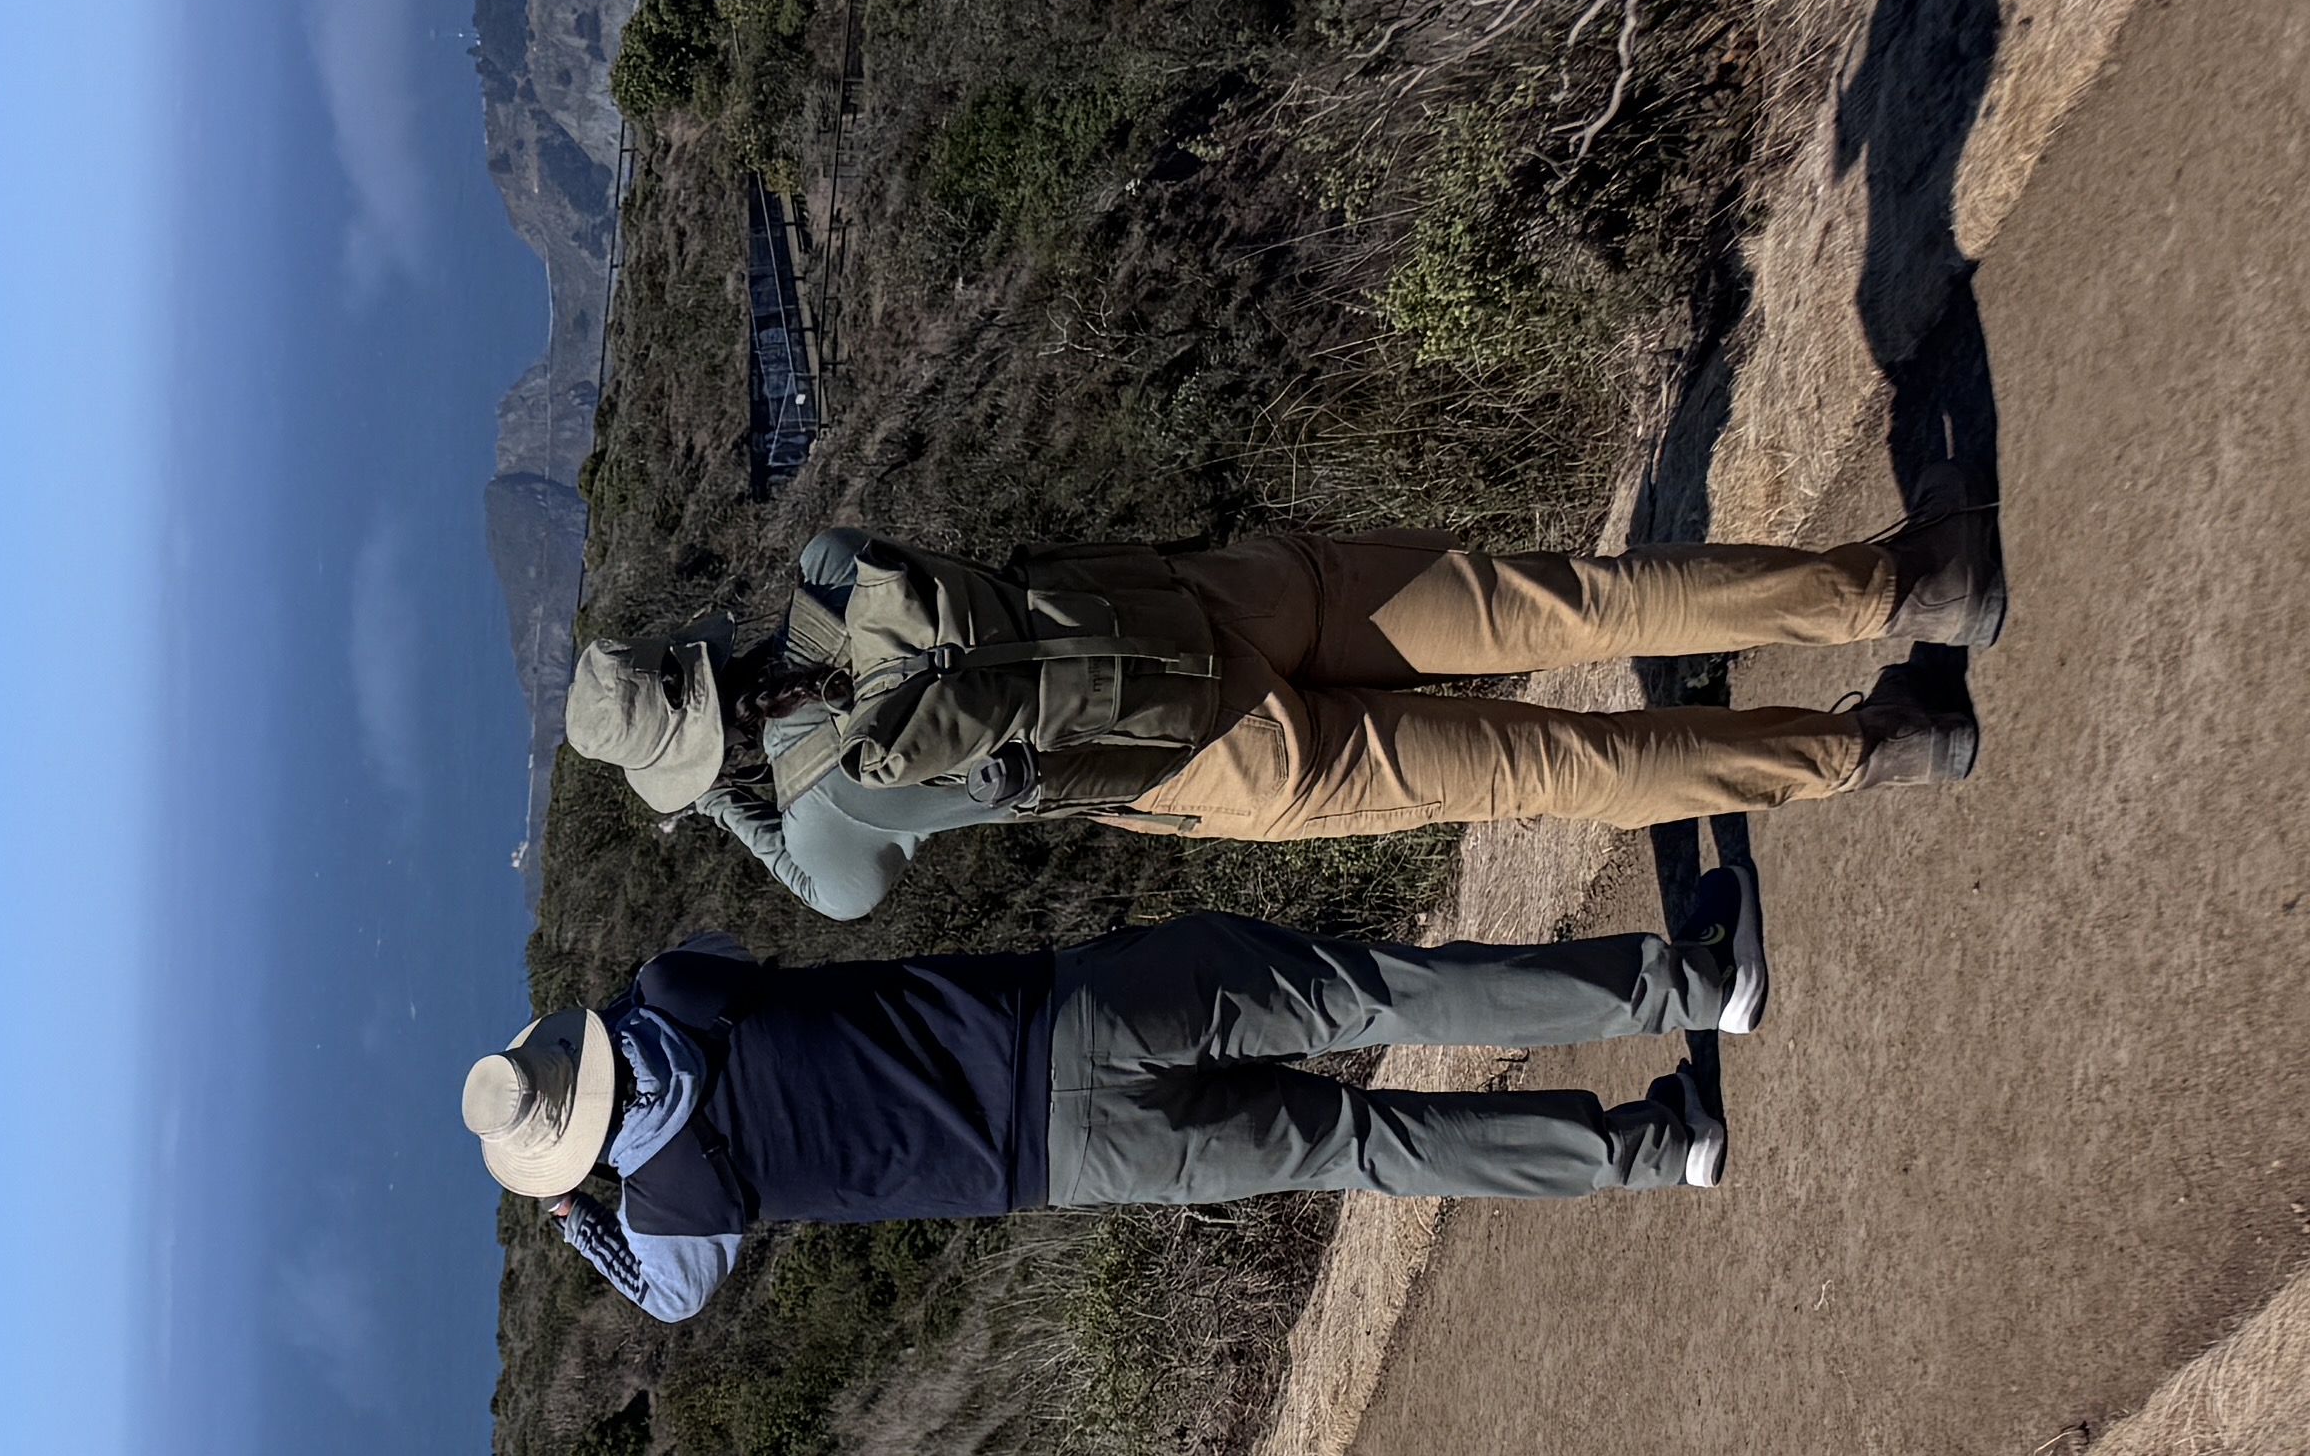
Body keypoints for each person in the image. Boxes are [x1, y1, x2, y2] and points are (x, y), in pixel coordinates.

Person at [465, 863, 1768, 1323]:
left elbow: (672, 1299)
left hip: (1064, 1163)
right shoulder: (676, 995)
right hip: (1068, 1007)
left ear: (568, 1161)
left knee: (1357, 1145)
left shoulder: (677, 1203)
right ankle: (1693, 985)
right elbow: (718, 952)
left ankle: (1662, 1150)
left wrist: (586, 1219)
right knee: (1377, 994)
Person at [563, 511, 2003, 921]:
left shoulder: (827, 814)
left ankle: (1879, 747)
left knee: (1558, 766)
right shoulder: (830, 572)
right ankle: (1909, 584)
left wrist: (732, 802)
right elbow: (862, 573)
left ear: (697, 755)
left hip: (1207, 760)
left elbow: (834, 897)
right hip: (1226, 597)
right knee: (1574, 604)